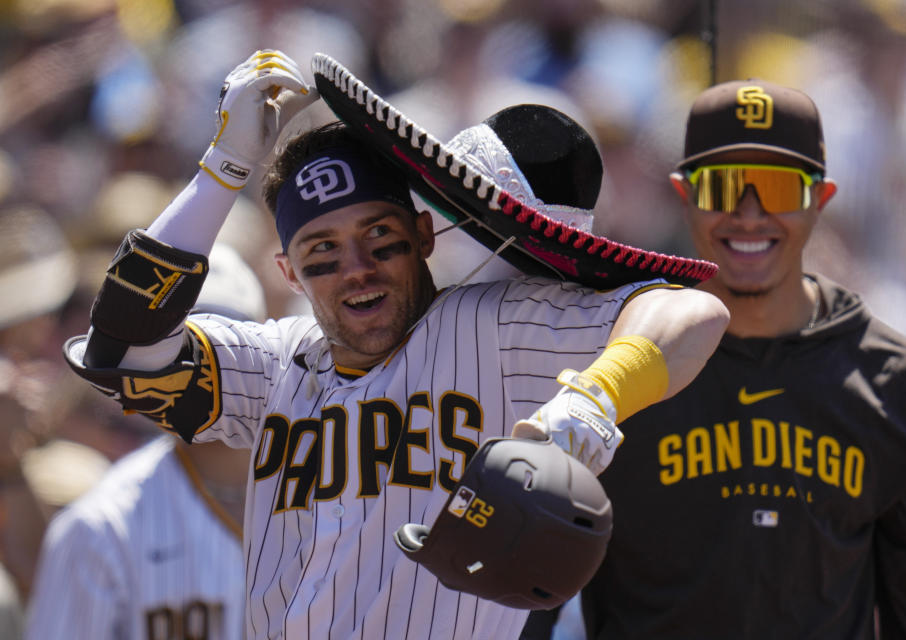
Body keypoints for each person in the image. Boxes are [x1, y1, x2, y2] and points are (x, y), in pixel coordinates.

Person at [62, 50, 728, 639]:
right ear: (287, 272)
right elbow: (120, 351)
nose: (356, 267)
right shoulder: (272, 364)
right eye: (322, 251)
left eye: (378, 238)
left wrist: (598, 394)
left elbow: (691, 313)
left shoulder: (491, 325)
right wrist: (222, 169)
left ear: (422, 237)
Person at [556, 79, 906, 639]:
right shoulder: (614, 360)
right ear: (685, 194)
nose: (749, 215)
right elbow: (529, 598)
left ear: (820, 199)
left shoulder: (899, 383)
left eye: (776, 187)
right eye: (723, 187)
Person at [25, 243, 264, 640]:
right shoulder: (100, 527)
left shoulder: (340, 486)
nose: (201, 367)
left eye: (222, 344)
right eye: (173, 348)